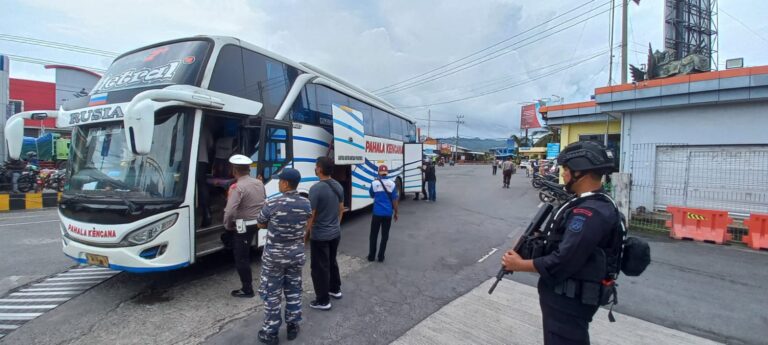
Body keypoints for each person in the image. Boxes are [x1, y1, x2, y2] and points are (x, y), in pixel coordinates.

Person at [501, 141, 620, 345]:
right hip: (568, 298)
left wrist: (519, 265)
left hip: (568, 301)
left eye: (566, 169)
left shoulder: (588, 212)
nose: (563, 174)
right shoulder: (594, 202)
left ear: (579, 172)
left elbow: (564, 260)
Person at [255, 168, 312, 345]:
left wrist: (271, 225)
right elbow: (306, 221)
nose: (279, 183)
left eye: (280, 181)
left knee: (272, 294)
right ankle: (293, 326)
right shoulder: (305, 203)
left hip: (274, 258)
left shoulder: (272, 204)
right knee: (294, 291)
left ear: (286, 183)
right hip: (295, 255)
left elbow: (260, 223)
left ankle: (270, 333)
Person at [223, 154, 266, 298]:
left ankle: (247, 289)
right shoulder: (259, 183)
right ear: (248, 169)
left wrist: (228, 226)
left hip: (243, 225)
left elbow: (229, 211)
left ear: (234, 170)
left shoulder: (237, 187)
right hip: (258, 223)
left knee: (242, 257)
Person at [306, 156, 345, 310]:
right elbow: (341, 209)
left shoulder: (315, 189)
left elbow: (311, 216)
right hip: (335, 233)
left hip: (320, 236)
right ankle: (335, 289)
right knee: (331, 261)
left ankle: (323, 300)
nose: (315, 168)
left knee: (319, 268)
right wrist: (336, 225)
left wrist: (305, 235)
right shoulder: (338, 186)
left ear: (320, 169)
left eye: (316, 166)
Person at [368, 165, 399, 262]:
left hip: (377, 214)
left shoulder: (374, 183)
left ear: (379, 173)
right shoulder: (392, 184)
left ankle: (371, 257)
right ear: (387, 173)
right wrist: (396, 212)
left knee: (373, 235)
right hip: (387, 214)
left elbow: (372, 195)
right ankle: (381, 257)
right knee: (385, 236)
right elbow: (395, 200)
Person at [197, 125, 214, 226]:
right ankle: (207, 213)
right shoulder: (206, 129)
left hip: (185, 160)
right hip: (202, 159)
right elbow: (211, 145)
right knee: (202, 185)